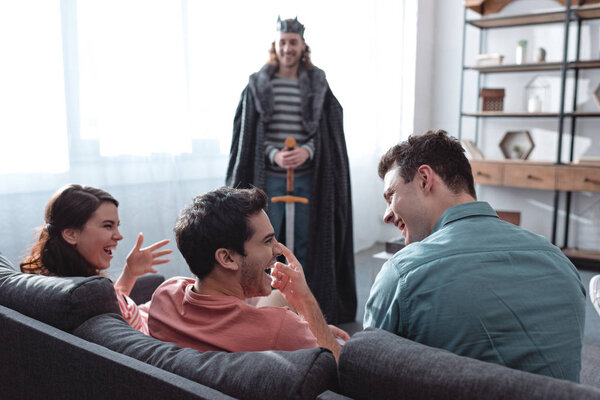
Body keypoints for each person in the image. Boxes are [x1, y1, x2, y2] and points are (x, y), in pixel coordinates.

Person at [364, 130, 586, 382]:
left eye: (390, 195)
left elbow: (364, 372)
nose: (387, 215)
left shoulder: (402, 274)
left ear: (425, 179)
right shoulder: (562, 264)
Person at [226, 16, 356, 324]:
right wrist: (274, 155)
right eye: (283, 42)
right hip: (271, 174)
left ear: (302, 46)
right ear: (276, 44)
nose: (288, 48)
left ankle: (306, 303)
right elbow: (254, 132)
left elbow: (324, 131)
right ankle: (272, 303)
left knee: (307, 239)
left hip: (308, 174)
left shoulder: (317, 83)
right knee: (268, 239)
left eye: (293, 43)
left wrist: (307, 151)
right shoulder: (259, 83)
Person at [148, 186, 349, 360]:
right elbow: (337, 369)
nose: (279, 250)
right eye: (267, 241)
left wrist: (305, 331)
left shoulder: (164, 296)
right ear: (227, 258)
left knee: (277, 294)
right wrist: (306, 301)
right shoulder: (280, 329)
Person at [20, 184, 172, 334]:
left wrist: (130, 273)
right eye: (108, 226)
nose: (119, 236)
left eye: (117, 226)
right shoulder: (84, 296)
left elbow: (112, 305)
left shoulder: (69, 288)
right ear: (71, 234)